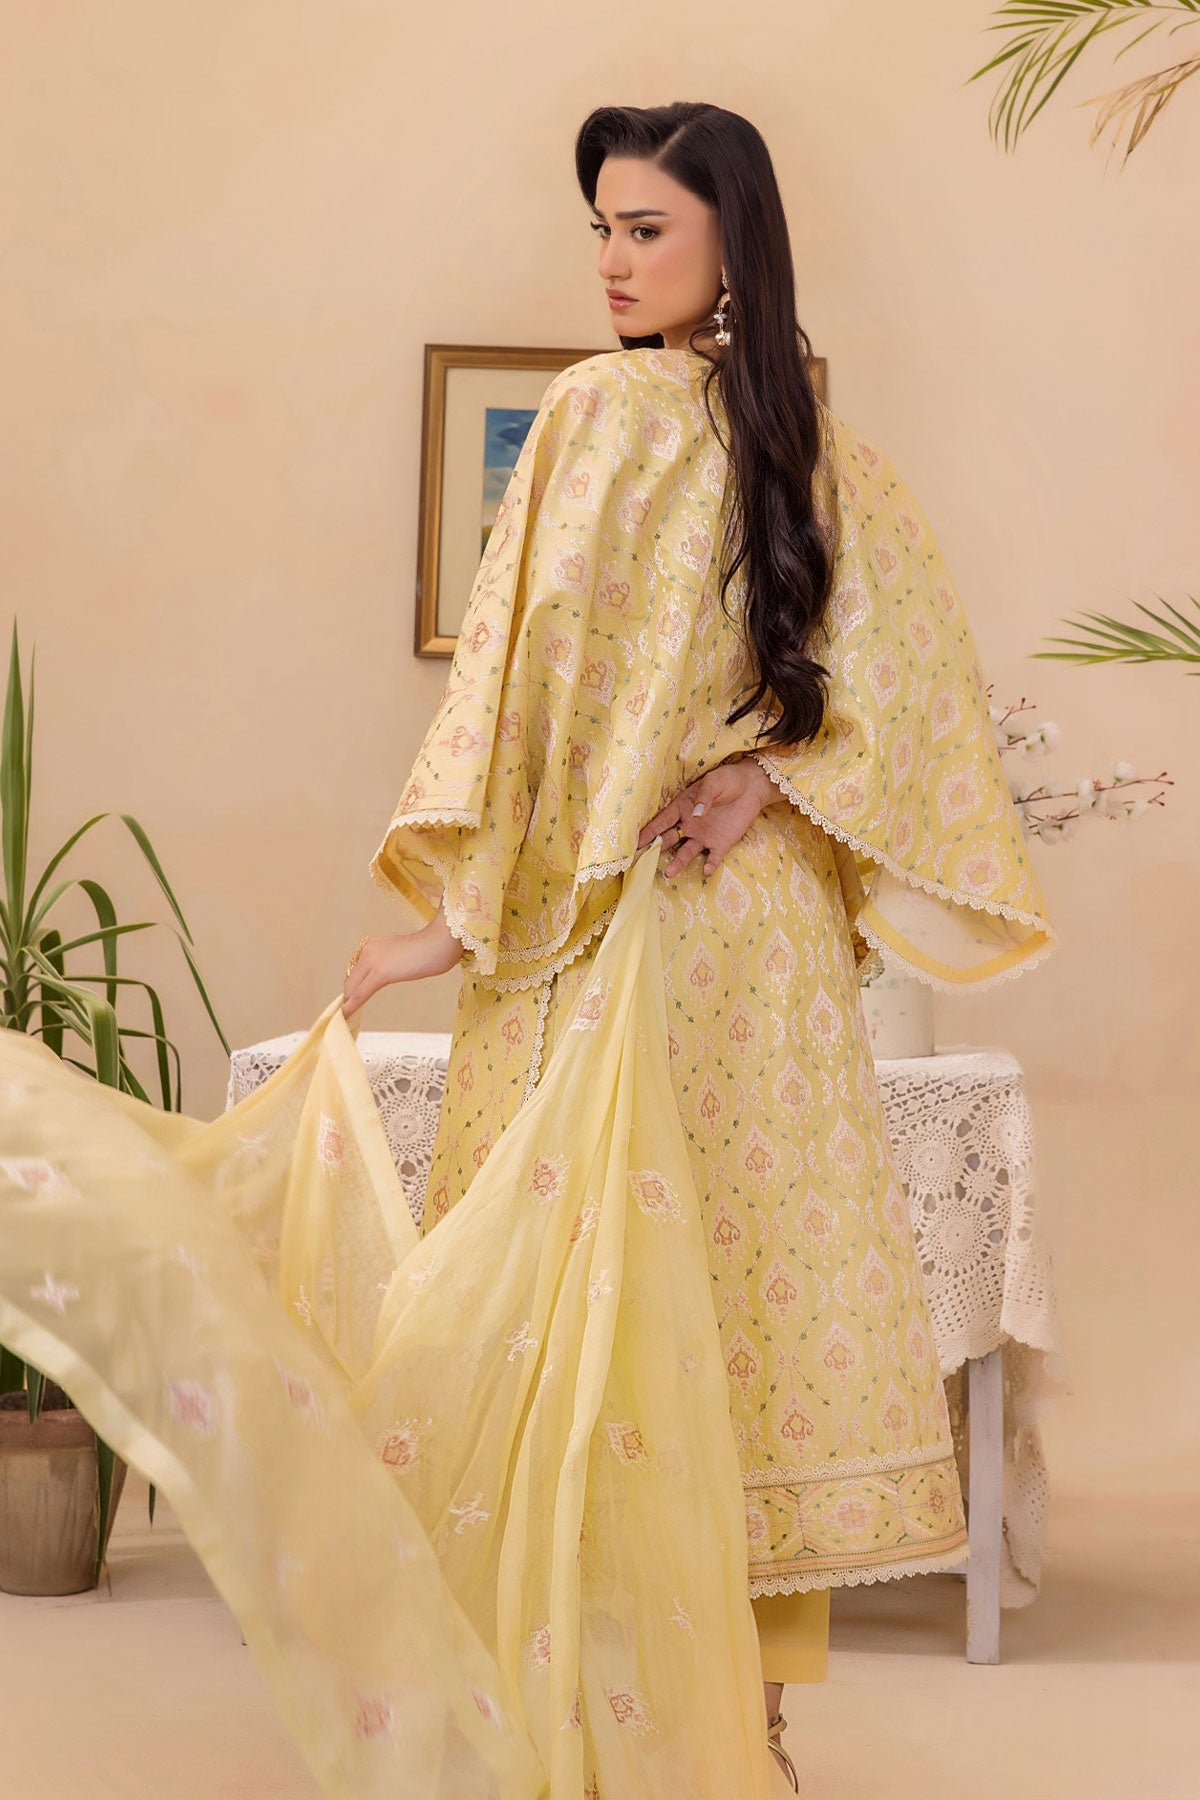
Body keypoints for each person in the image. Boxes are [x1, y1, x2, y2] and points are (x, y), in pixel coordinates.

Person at [0, 102, 1055, 1800]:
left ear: (732, 241)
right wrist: (738, 793)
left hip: (663, 947)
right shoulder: (763, 444)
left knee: (633, 1341)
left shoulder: (711, 434)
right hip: (711, 951)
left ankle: (655, 1731)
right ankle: (709, 1738)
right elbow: (855, 712)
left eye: (647, 229)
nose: (614, 263)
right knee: (697, 1335)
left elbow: (555, 687)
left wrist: (524, 884)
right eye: (603, 231)